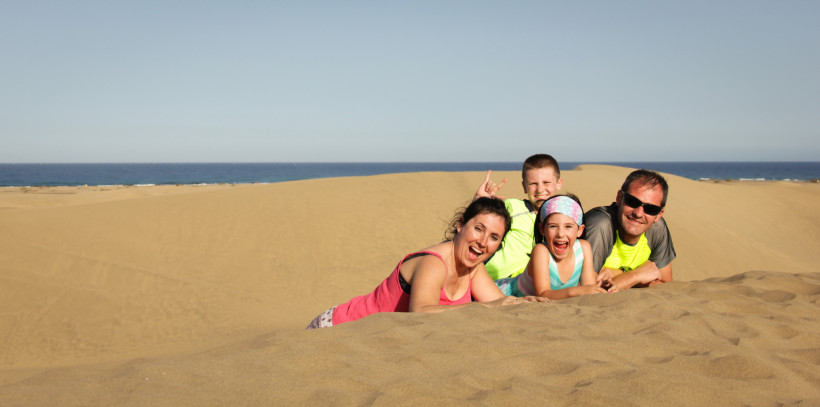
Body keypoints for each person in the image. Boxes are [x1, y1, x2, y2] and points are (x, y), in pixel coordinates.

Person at [306, 197, 548, 329]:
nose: (483, 241)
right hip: (335, 329)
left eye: (494, 237)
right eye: (478, 229)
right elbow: (420, 311)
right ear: (461, 225)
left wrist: (524, 303)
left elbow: (498, 303)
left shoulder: (474, 269)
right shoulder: (434, 263)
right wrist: (486, 307)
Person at [495, 194, 616, 300]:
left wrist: (601, 289)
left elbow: (589, 290)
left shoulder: (584, 248)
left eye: (568, 226)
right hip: (502, 294)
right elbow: (543, 294)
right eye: (553, 226)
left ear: (580, 230)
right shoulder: (541, 251)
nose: (560, 234)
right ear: (542, 229)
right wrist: (577, 291)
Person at [474, 154, 563, 281]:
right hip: (489, 280)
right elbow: (473, 228)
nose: (540, 189)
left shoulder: (563, 219)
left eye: (546, 183)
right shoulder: (512, 207)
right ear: (524, 186)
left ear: (558, 183)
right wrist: (479, 203)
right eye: (533, 184)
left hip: (527, 284)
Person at [582, 169, 676, 289]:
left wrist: (617, 275)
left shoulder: (657, 229)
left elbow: (665, 285)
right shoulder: (600, 226)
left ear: (658, 215)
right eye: (632, 201)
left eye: (650, 209)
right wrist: (636, 276)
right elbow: (587, 291)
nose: (638, 213)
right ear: (619, 198)